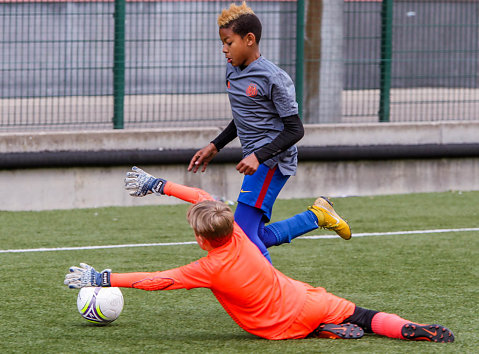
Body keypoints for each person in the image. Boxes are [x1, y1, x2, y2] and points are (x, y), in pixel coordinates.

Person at [64, 168, 455, 343]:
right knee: (366, 317)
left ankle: (320, 332)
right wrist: (158, 184)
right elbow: (203, 198)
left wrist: (102, 279)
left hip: (275, 329)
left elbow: (158, 280)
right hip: (308, 300)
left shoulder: (209, 268)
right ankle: (406, 327)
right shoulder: (234, 230)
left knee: (292, 325)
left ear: (202, 237)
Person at [186, 2, 351, 263]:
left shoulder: (274, 78)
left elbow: (295, 129)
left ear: (249, 39)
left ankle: (273, 298)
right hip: (258, 161)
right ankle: (317, 216)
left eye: (229, 42)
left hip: (272, 161)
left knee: (240, 235)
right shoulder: (232, 69)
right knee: (252, 235)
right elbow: (243, 117)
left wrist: (259, 157)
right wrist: (216, 145)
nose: (224, 49)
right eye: (223, 43)